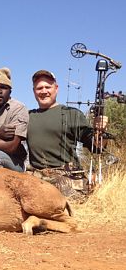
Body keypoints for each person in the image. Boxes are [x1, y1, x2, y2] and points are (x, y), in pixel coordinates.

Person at [26, 69, 108, 200]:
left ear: (56, 88)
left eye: (48, 87)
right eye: (39, 88)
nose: (43, 91)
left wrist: (101, 130)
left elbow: (96, 147)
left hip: (66, 176)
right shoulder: (27, 116)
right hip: (36, 178)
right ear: (34, 91)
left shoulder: (72, 113)